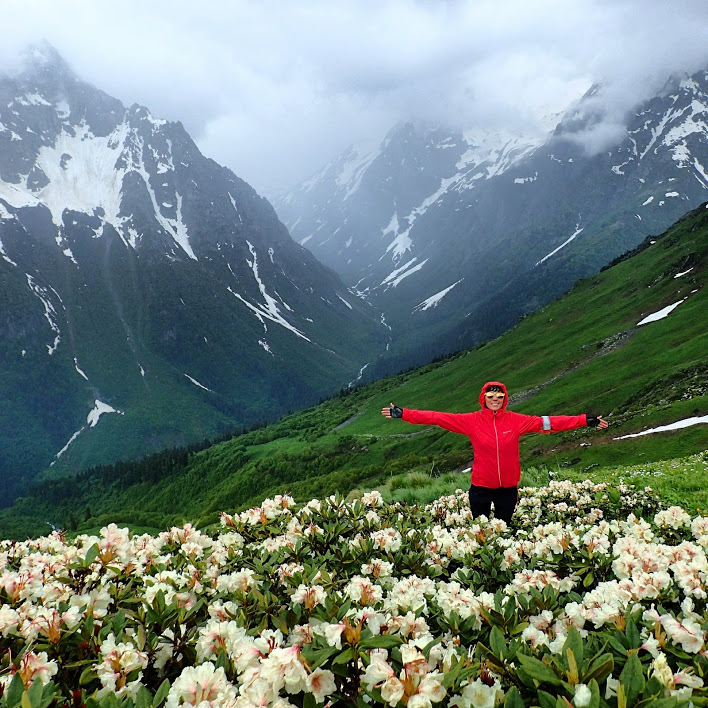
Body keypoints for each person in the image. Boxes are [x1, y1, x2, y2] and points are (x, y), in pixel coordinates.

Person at [381, 381, 609, 522]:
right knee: (481, 533)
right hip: (480, 488)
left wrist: (584, 420)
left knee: (504, 531)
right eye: (490, 396)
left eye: (499, 396)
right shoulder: (471, 421)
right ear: (483, 398)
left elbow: (547, 422)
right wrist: (405, 414)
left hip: (508, 490)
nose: (495, 400)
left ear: (504, 398)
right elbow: (437, 417)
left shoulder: (516, 420)